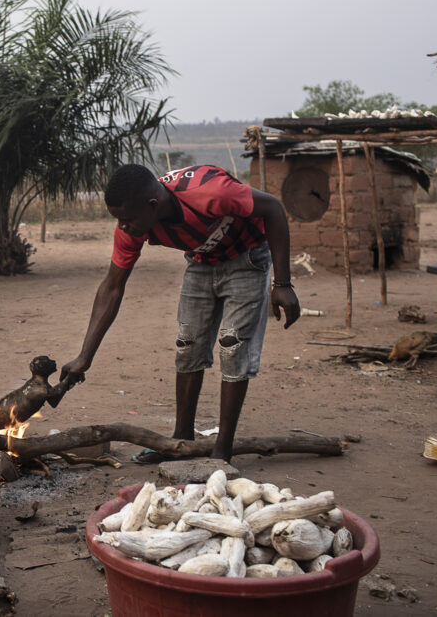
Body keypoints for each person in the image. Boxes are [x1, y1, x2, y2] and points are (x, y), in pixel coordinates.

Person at [60, 164, 301, 463]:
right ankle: (181, 441)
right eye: (118, 220)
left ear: (153, 205)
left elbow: (273, 208)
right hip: (202, 262)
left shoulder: (211, 192)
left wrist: (283, 284)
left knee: (234, 346)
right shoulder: (134, 222)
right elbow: (112, 287)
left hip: (247, 258)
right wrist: (84, 357)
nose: (122, 227)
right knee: (188, 346)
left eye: (127, 219)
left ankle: (222, 449)